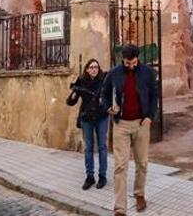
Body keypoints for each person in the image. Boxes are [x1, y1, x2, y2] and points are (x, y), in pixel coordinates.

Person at [101, 45, 158, 216]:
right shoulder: (114, 72)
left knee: (142, 162)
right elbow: (103, 93)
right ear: (122, 60)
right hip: (121, 125)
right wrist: (108, 107)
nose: (131, 66)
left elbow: (154, 95)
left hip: (142, 123)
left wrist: (150, 116)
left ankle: (139, 194)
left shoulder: (148, 72)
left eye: (133, 62)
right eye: (127, 62)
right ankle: (120, 207)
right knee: (120, 166)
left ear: (137, 58)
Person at [67, 58, 108, 190]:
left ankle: (102, 176)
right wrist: (74, 92)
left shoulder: (104, 80)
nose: (94, 69)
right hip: (87, 118)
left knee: (102, 146)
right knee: (88, 148)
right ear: (87, 69)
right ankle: (90, 176)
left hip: (102, 116)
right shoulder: (82, 80)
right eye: (91, 67)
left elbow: (110, 95)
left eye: (96, 67)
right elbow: (71, 102)